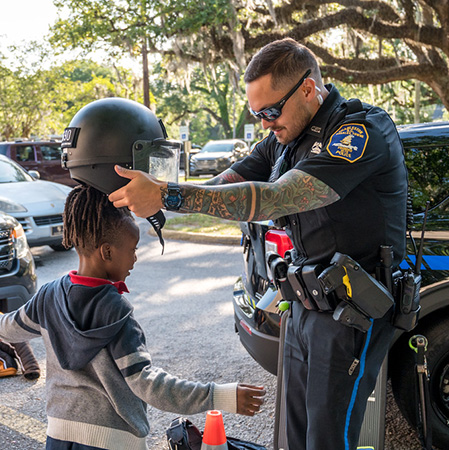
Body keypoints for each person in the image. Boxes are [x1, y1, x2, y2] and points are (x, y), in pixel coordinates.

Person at [109, 37, 408, 450]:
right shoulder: (284, 138)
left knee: (326, 438)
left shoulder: (358, 132)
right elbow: (224, 185)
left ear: (307, 88)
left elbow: (276, 197)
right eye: (257, 114)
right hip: (306, 305)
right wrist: (160, 189)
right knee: (293, 434)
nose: (265, 123)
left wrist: (168, 196)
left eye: (270, 111)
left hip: (353, 311)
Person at [0, 184, 265, 450]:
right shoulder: (118, 313)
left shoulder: (48, 296)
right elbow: (147, 383)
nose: (135, 258)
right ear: (107, 252)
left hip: (58, 437)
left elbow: (8, 328)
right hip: (113, 442)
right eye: (133, 249)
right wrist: (219, 395)